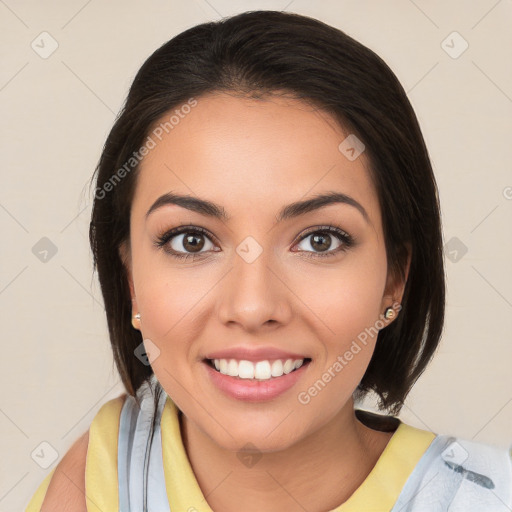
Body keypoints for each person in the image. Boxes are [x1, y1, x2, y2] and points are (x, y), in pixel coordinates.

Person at [26, 10, 511, 512]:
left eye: (320, 241)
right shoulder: (100, 477)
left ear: (395, 278)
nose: (254, 306)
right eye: (191, 241)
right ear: (130, 278)